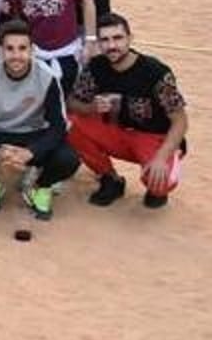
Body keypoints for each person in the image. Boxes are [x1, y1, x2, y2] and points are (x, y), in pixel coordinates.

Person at [0, 20, 80, 219]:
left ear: (32, 50)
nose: (16, 55)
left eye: (22, 48)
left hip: (33, 133)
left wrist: (32, 152)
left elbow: (58, 126)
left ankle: (40, 186)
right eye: (10, 49)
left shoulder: (47, 76)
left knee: (68, 159)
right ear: (0, 51)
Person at [69, 14, 190, 209]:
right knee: (71, 123)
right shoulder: (96, 66)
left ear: (130, 38)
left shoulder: (155, 72)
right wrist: (90, 107)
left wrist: (161, 157)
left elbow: (180, 120)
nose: (112, 46)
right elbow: (73, 103)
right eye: (105, 40)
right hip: (117, 132)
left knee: (161, 183)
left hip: (152, 137)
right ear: (99, 43)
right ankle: (110, 179)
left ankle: (162, 173)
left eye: (118, 38)